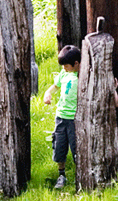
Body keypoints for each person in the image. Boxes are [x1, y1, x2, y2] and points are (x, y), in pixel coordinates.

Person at [43, 45, 81, 189]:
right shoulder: (64, 74)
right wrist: (48, 93)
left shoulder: (81, 75)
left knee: (76, 147)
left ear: (76, 64)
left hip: (74, 119)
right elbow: (54, 86)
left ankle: (80, 175)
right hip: (61, 117)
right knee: (59, 145)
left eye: (66, 65)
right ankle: (61, 175)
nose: (64, 68)